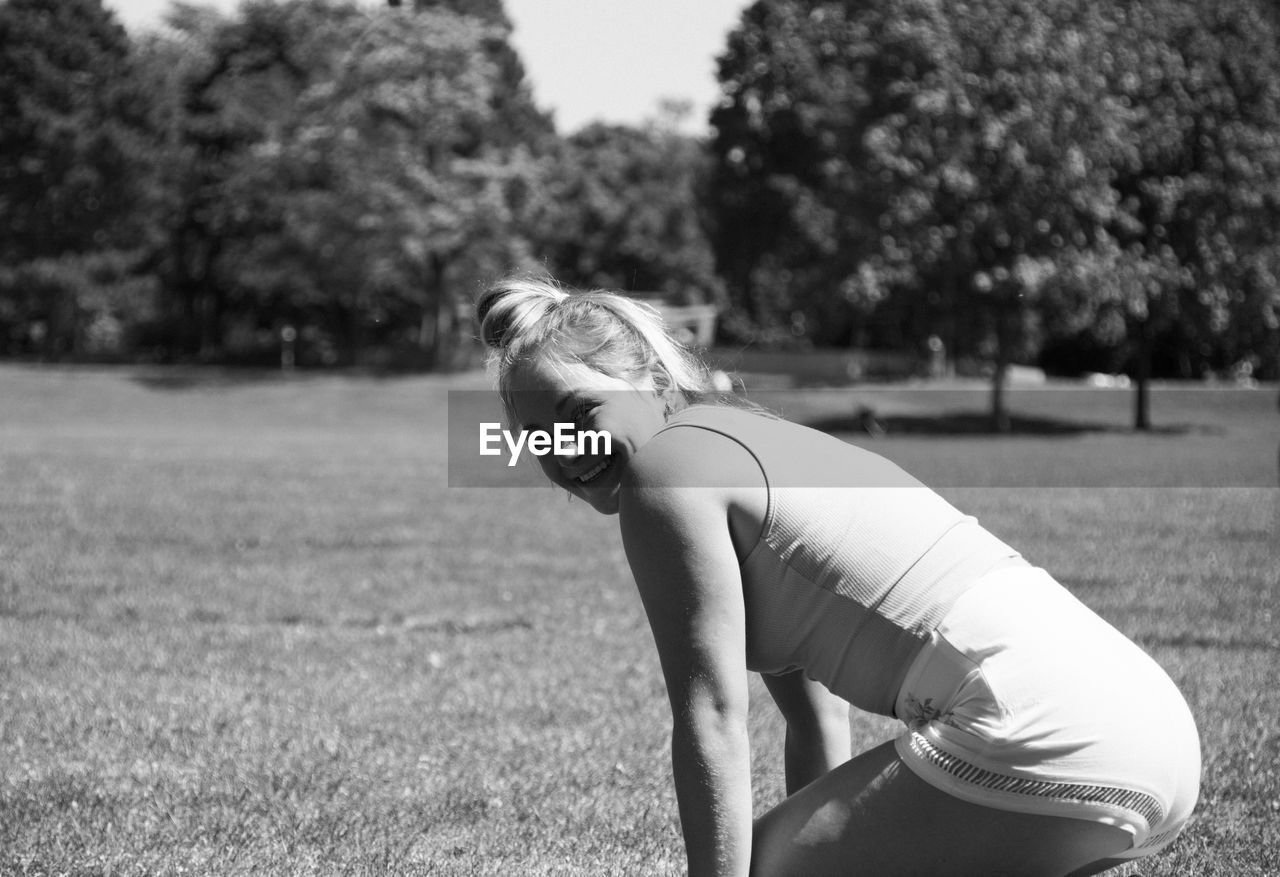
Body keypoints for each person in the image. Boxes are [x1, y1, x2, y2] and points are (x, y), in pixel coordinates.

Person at [476, 275, 1201, 877]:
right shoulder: (755, 440)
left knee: (761, 865)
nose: (561, 448)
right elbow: (816, 719)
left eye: (577, 411)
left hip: (1040, 729)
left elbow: (712, 719)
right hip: (1150, 734)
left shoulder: (666, 470)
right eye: (534, 436)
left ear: (655, 383)